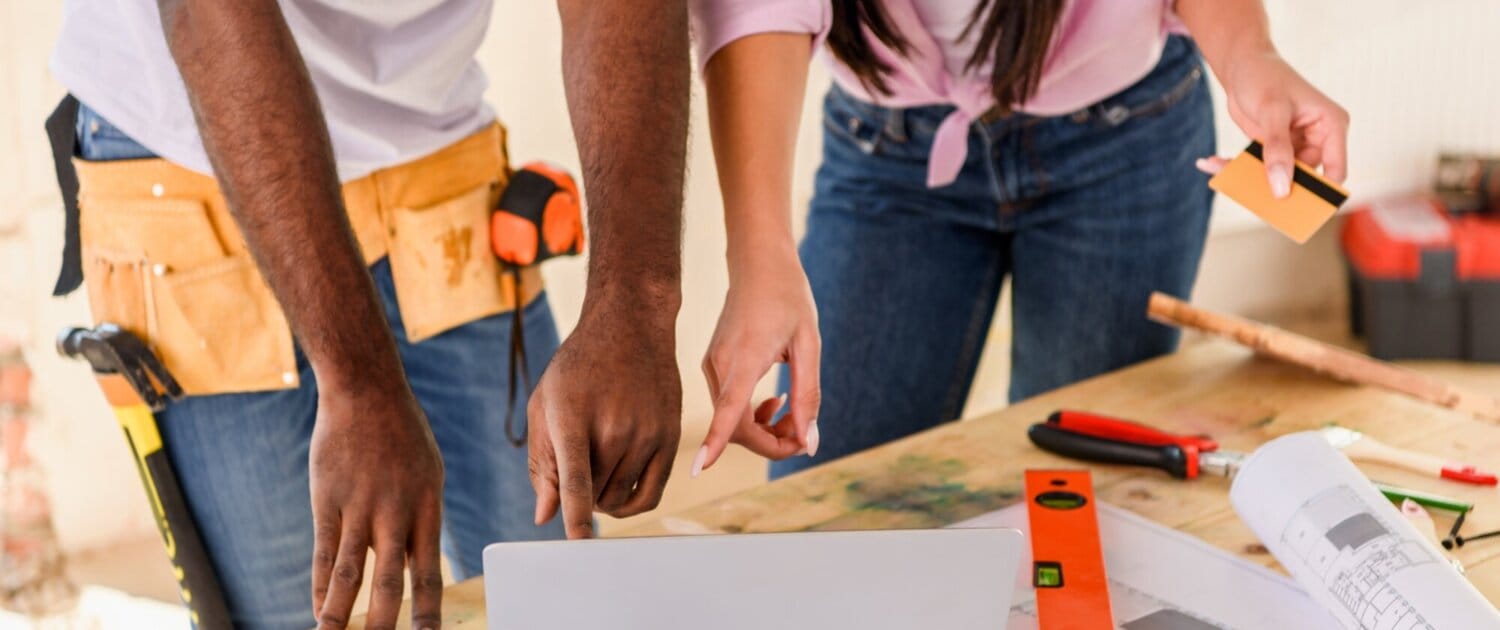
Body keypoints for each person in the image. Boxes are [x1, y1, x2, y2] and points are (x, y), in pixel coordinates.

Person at [48, 0, 688, 627]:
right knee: (300, 611)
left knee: (553, 588)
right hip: (193, 147)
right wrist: (358, 382)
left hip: (429, 142)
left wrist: (636, 300)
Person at [687, 0, 1349, 479]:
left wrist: (1251, 56)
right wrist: (759, 254)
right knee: (824, 495)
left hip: (1125, 137)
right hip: (886, 150)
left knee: (1081, 484)